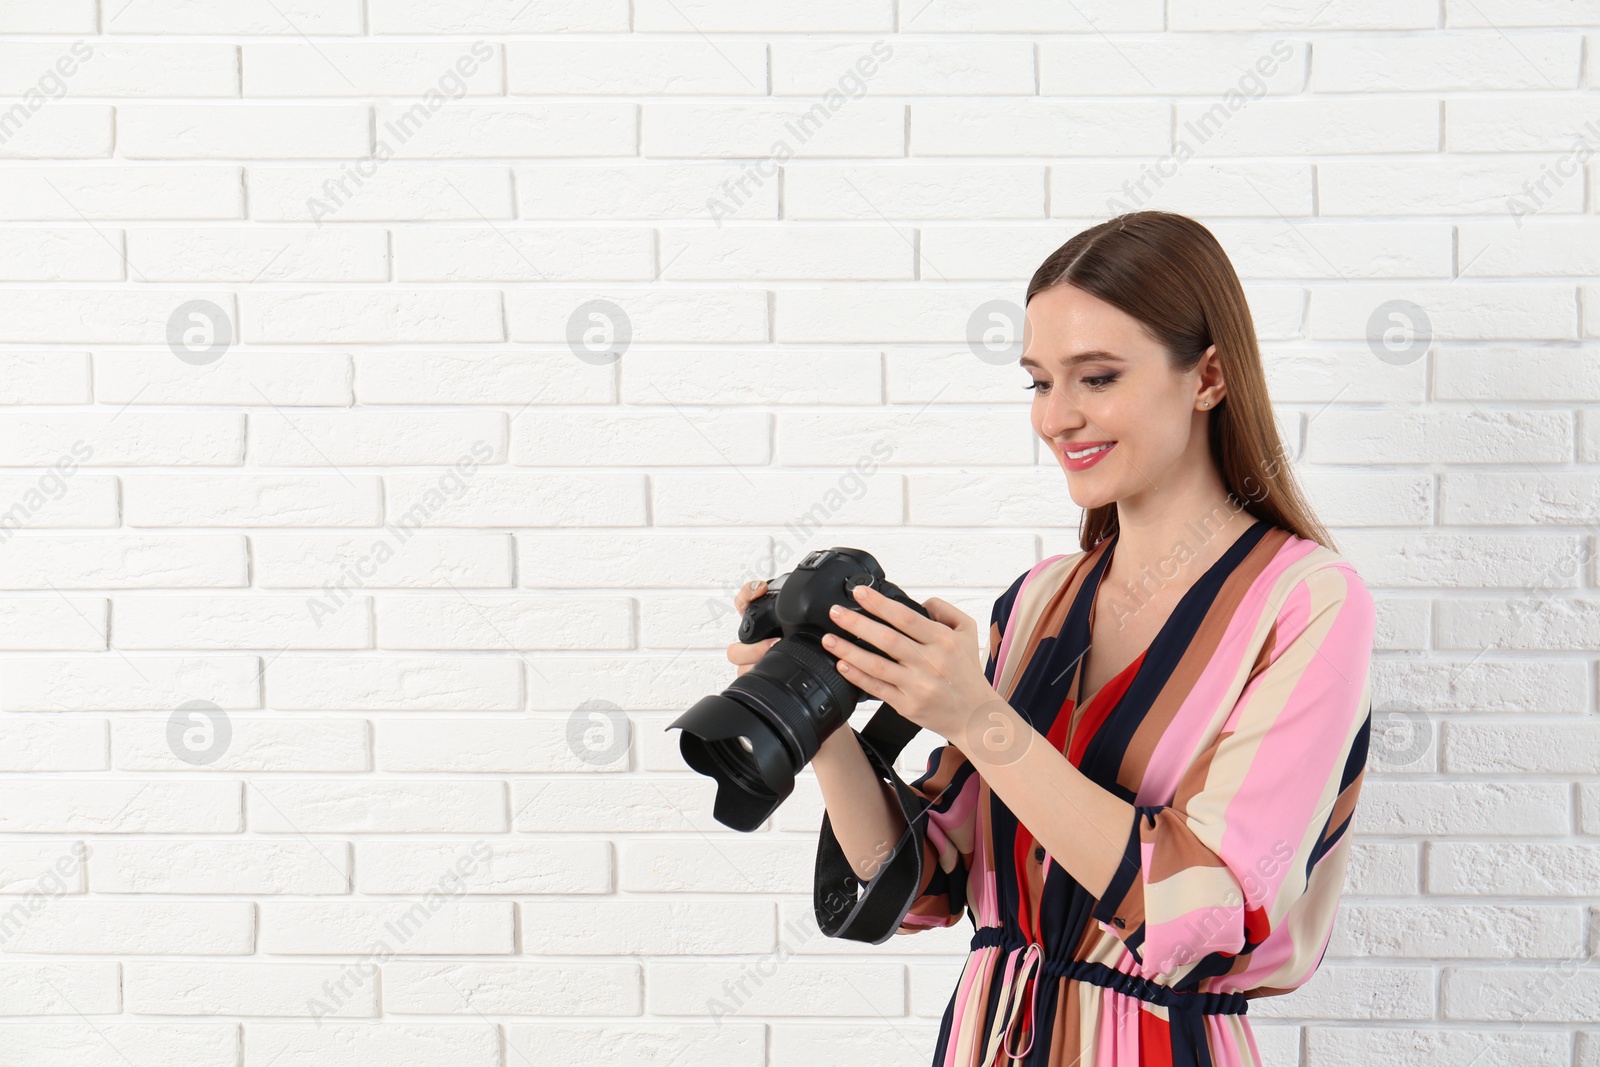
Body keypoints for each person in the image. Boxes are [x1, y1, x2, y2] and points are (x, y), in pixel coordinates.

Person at [727, 210, 1376, 1066]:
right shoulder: (1036, 603)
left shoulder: (1306, 603)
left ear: (1209, 376)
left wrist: (978, 715)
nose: (1056, 418)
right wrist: (818, 710)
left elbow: (1208, 912)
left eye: (1096, 378)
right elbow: (925, 882)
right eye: (1038, 382)